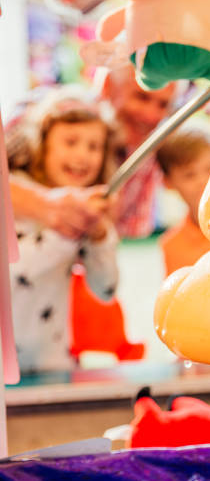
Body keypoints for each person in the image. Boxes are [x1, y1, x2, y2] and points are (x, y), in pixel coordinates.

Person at [8, 87, 119, 373]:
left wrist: (99, 236)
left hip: (51, 360)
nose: (83, 156)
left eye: (94, 146)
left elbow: (105, 289)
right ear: (43, 143)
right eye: (71, 142)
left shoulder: (82, 212)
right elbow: (16, 274)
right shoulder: (15, 197)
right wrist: (66, 231)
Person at [8, 65, 177, 239]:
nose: (152, 116)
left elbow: (126, 235)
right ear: (108, 86)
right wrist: (45, 205)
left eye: (163, 105)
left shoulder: (145, 155)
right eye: (141, 97)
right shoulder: (44, 110)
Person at [156, 129, 210, 276]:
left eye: (209, 169)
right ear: (168, 182)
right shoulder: (171, 246)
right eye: (189, 175)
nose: (203, 181)